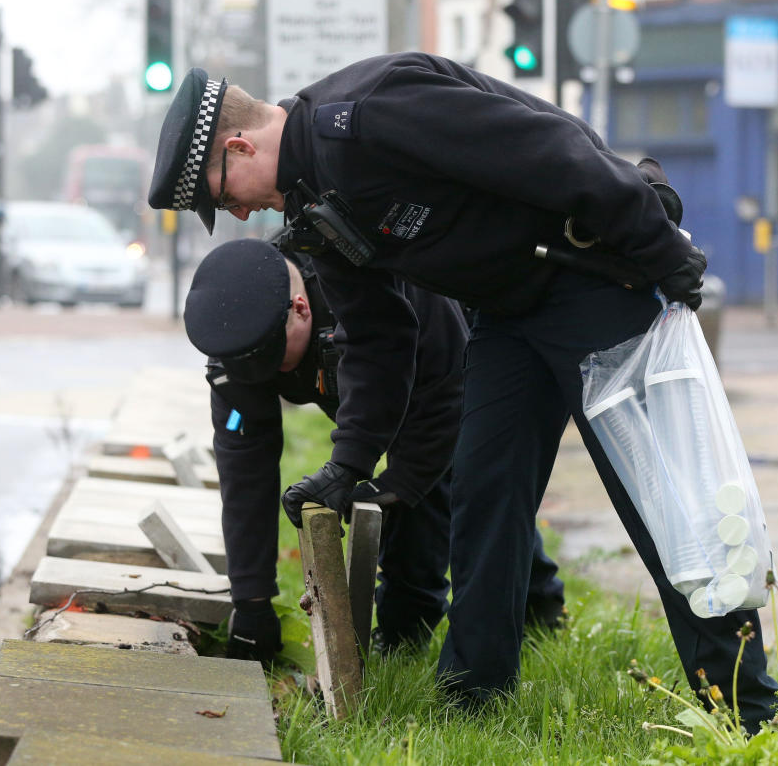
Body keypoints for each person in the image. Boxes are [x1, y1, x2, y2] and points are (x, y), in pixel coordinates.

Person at [147, 57, 778, 732]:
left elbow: (547, 146)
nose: (239, 211)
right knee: (483, 499)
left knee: (660, 499)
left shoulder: (367, 114)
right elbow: (381, 337)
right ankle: (474, 701)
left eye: (225, 194)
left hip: (589, 278)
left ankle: (745, 716)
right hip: (506, 314)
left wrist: (655, 244)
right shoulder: (312, 208)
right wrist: (349, 465)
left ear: (238, 146)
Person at [180, 237, 565, 663]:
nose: (271, 379)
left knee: (458, 481)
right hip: (382, 380)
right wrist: (251, 604)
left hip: (454, 360)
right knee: (425, 488)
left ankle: (436, 625)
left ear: (301, 310)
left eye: (277, 363)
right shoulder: (238, 343)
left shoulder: (369, 282)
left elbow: (443, 404)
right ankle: (504, 608)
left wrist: (395, 486)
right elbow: (244, 477)